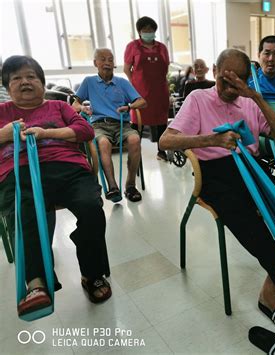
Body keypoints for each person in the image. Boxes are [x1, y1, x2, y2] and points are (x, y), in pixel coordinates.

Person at [160, 48, 275, 334]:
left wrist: (256, 98)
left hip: (252, 169)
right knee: (257, 232)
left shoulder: (248, 101)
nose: (229, 89)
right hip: (216, 176)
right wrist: (213, 138)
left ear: (247, 80)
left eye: (237, 83)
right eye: (225, 81)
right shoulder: (198, 98)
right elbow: (165, 140)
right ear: (215, 71)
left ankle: (268, 295)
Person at [0, 55, 112, 316]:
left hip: (68, 168)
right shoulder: (2, 113)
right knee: (22, 211)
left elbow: (85, 131)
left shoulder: (59, 107)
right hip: (19, 172)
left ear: (42, 82)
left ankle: (92, 274)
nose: (25, 82)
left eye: (31, 77)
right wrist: (5, 134)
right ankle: (36, 281)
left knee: (91, 207)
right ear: (7, 86)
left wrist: (46, 133)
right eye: (17, 78)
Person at [74, 48, 147, 203]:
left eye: (110, 59)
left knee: (135, 140)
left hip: (122, 124)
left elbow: (142, 102)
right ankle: (112, 187)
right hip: (99, 125)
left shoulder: (122, 83)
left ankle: (130, 185)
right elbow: (74, 104)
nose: (107, 62)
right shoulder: (89, 82)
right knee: (103, 143)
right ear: (95, 63)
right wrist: (82, 108)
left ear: (114, 64)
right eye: (102, 59)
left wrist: (129, 107)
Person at [124, 16, 170, 161]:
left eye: (151, 30)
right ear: (139, 32)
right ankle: (136, 151)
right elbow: (127, 69)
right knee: (138, 121)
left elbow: (165, 67)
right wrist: (134, 85)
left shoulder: (161, 47)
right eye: (145, 30)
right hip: (140, 92)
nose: (148, 32)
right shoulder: (132, 46)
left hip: (160, 91)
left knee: (162, 120)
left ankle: (161, 151)